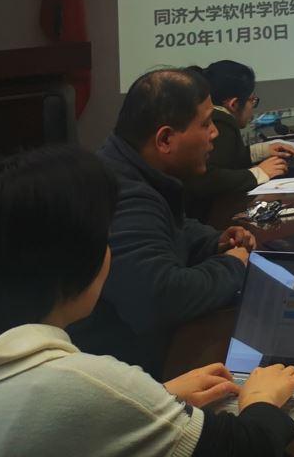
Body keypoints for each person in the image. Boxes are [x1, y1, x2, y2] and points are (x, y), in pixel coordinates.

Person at [0, 145, 294, 457]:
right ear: (78, 261)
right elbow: (247, 448)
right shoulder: (79, 385)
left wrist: (155, 398)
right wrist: (262, 400)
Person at [71, 68, 254, 375]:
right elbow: (162, 299)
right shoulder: (125, 197)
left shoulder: (125, 165)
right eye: (206, 123)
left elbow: (173, 227)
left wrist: (214, 241)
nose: (215, 133)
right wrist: (233, 265)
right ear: (165, 139)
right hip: (124, 370)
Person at [184, 60, 294, 219]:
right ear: (233, 104)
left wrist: (261, 151)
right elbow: (208, 178)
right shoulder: (222, 122)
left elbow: (226, 158)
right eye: (252, 100)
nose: (213, 132)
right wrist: (258, 173)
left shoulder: (215, 117)